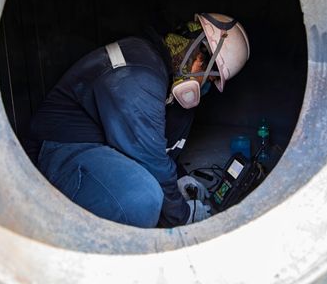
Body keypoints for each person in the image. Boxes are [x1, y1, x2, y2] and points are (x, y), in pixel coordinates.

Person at [29, 13, 250, 228]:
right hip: (59, 150)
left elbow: (157, 147)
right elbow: (151, 160)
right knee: (142, 199)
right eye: (206, 75)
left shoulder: (154, 64)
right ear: (194, 51)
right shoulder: (141, 77)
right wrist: (183, 216)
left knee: (156, 185)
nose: (203, 86)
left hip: (96, 146)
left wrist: (179, 178)